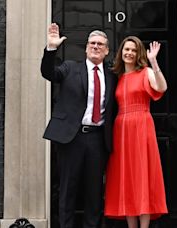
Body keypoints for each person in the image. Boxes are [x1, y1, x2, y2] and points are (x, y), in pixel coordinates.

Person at [40, 23, 117, 228]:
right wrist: (50, 49)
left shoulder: (111, 76)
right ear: (86, 48)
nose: (95, 46)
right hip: (71, 138)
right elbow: (49, 73)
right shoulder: (70, 67)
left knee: (94, 193)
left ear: (107, 50)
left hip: (98, 139)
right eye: (92, 43)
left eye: (100, 44)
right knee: (68, 190)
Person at [104, 36, 168, 228]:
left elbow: (162, 87)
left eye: (133, 50)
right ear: (121, 53)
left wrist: (154, 61)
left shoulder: (146, 72)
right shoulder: (118, 77)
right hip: (121, 128)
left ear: (138, 53)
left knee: (142, 175)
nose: (129, 53)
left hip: (141, 124)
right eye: (126, 49)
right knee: (126, 177)